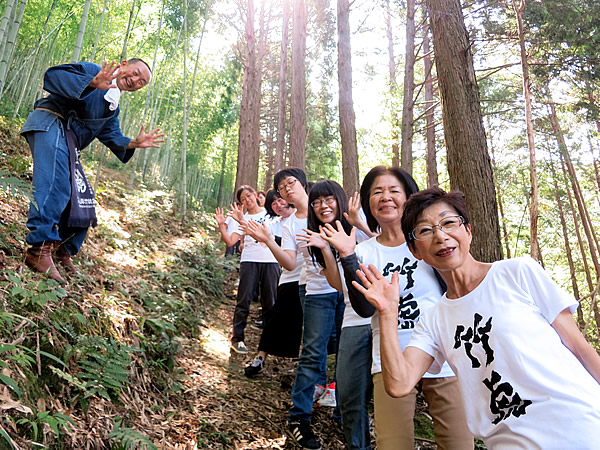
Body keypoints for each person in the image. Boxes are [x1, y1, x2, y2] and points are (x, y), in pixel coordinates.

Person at [355, 186, 600, 448]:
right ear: (415, 251)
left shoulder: (518, 273)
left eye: (449, 223)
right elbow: (399, 384)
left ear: (468, 231)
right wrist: (388, 313)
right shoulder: (433, 321)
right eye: (425, 230)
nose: (440, 236)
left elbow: (580, 348)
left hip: (580, 426)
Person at [321, 167, 472, 449]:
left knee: (458, 443)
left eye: (394, 191)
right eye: (377, 192)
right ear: (368, 202)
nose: (385, 197)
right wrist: (348, 255)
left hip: (443, 357)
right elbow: (364, 311)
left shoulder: (428, 240)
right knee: (392, 444)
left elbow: (459, 286)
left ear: (408, 197)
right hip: (390, 361)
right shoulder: (363, 252)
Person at [21, 59, 164, 283]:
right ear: (124, 64)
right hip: (50, 123)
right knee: (56, 184)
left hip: (67, 143)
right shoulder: (92, 70)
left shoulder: (112, 107)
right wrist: (92, 82)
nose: (135, 81)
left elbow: (113, 136)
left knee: (83, 196)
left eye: (141, 82)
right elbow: (53, 76)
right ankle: (39, 249)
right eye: (135, 73)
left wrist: (134, 143)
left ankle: (63, 250)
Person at [298, 179, 373, 450]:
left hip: (377, 313)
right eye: (316, 202)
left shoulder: (358, 223)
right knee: (328, 363)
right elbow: (337, 283)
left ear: (339, 199)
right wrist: (327, 247)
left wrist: (359, 224)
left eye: (327, 199)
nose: (321, 206)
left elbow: (389, 249)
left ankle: (353, 422)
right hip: (349, 309)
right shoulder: (315, 235)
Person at [216, 185, 280, 355]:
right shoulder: (241, 218)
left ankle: (268, 343)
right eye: (243, 199)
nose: (247, 200)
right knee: (243, 300)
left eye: (249, 195)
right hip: (249, 260)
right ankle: (237, 338)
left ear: (255, 194)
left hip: (271, 260)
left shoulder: (270, 213)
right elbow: (230, 242)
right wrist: (222, 225)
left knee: (270, 302)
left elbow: (271, 237)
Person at [244, 189, 301, 377]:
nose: (278, 205)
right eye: (273, 203)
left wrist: (269, 240)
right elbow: (272, 243)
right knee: (275, 317)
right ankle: (260, 358)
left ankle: (312, 372)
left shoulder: (304, 216)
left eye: (280, 200)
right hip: (289, 277)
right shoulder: (274, 224)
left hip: (314, 279)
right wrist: (266, 239)